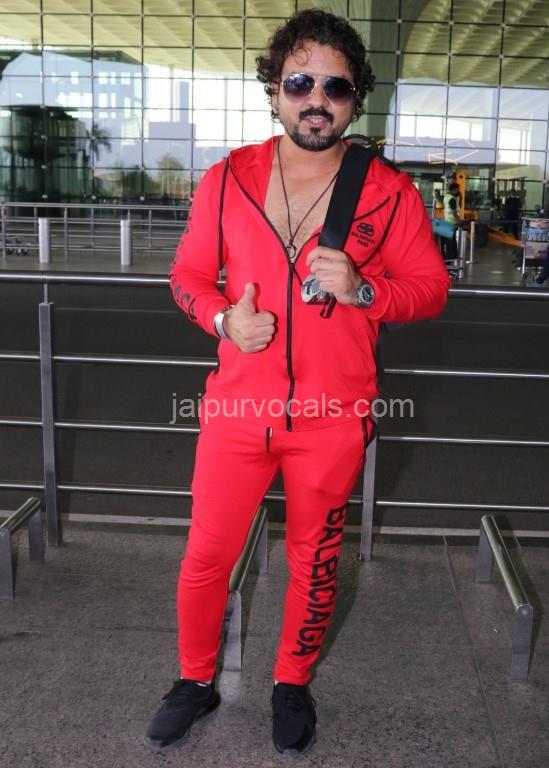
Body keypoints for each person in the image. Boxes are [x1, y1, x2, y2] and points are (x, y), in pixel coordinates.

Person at [143, 8, 450, 758]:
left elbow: (430, 289)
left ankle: (291, 681)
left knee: (314, 560)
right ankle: (194, 679)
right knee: (206, 556)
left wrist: (365, 290)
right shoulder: (227, 178)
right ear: (275, 90)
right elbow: (186, 277)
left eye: (335, 87)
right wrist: (223, 320)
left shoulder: (388, 191)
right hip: (237, 410)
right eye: (300, 83)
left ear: (355, 98)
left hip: (333, 417)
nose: (317, 99)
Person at [442, 181, 462, 262]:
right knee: (451, 242)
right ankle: (451, 257)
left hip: (447, 221)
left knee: (450, 241)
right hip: (452, 222)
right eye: (458, 189)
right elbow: (454, 212)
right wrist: (459, 221)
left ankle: (451, 257)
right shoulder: (452, 199)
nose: (458, 191)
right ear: (454, 189)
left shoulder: (446, 197)